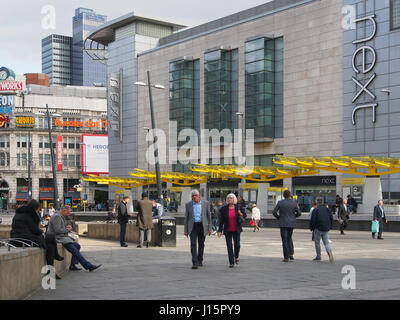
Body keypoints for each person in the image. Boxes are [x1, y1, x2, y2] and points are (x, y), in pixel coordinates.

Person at [10, 199, 64, 279]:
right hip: (26, 239)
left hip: (16, 238)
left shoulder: (19, 213)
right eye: (38, 209)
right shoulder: (30, 215)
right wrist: (41, 231)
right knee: (51, 237)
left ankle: (51, 271)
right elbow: (35, 230)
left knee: (50, 247)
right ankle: (56, 256)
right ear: (35, 208)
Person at [47, 205, 101, 272]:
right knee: (75, 250)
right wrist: (67, 229)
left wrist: (66, 227)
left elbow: (60, 228)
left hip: (62, 237)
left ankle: (73, 265)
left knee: (77, 246)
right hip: (58, 238)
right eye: (68, 212)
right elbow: (57, 230)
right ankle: (88, 266)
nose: (68, 214)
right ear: (63, 210)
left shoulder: (60, 216)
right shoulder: (57, 217)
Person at [184, 190, 212, 269]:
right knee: (193, 244)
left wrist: (210, 228)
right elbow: (186, 218)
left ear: (199, 196)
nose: (194, 197)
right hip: (192, 226)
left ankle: (200, 260)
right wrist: (185, 230)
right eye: (193, 196)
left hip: (202, 226)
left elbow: (208, 216)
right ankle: (194, 262)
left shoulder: (205, 203)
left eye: (195, 195)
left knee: (201, 243)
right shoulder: (188, 204)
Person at [272, 190, 301, 262]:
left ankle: (286, 257)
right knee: (289, 237)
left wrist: (278, 217)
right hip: (291, 223)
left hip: (283, 223)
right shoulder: (294, 202)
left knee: (284, 240)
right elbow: (299, 213)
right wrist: (294, 217)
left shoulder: (280, 202)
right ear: (290, 195)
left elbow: (274, 212)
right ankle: (291, 254)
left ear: (283, 195)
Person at [218, 194, 246, 268]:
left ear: (234, 200)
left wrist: (241, 214)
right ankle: (231, 262)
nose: (229, 199)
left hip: (237, 230)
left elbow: (245, 215)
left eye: (231, 198)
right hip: (228, 230)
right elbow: (221, 221)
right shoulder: (223, 209)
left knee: (237, 245)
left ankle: (236, 256)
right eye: (228, 198)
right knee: (229, 246)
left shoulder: (238, 207)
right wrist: (220, 230)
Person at [309, 197, 334, 263]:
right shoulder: (327, 209)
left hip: (318, 228)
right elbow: (331, 218)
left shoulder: (315, 210)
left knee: (317, 242)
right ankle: (329, 253)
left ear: (317, 202)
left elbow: (313, 220)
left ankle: (318, 256)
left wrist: (312, 228)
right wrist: (330, 226)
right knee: (326, 242)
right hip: (326, 228)